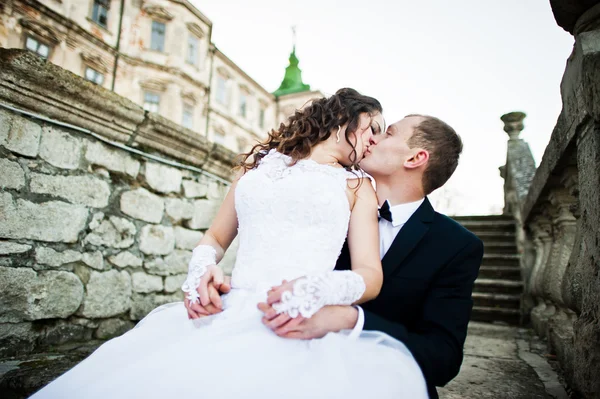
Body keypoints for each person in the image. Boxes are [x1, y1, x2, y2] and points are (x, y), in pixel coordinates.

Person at [31, 89, 428, 399]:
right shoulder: (258, 168)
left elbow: (369, 275)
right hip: (226, 308)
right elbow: (216, 236)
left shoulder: (356, 185)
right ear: (345, 116)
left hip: (292, 317)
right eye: (373, 128)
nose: (376, 141)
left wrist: (317, 290)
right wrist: (201, 268)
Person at [196, 115, 484, 399]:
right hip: (277, 356)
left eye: (389, 132)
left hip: (379, 382)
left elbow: (443, 358)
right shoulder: (324, 202)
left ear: (414, 158)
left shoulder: (456, 246)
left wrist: (349, 319)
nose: (372, 136)